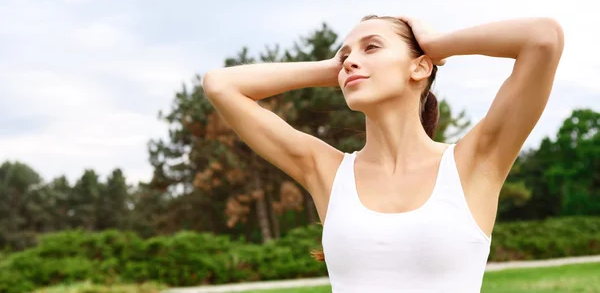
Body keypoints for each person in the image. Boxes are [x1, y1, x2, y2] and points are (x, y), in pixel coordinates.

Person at [202, 15, 564, 292]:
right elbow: (220, 85)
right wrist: (335, 70)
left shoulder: (474, 162)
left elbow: (543, 39)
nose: (349, 61)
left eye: (371, 47)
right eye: (344, 55)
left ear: (420, 66)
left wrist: (436, 44)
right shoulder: (326, 171)